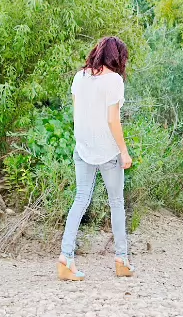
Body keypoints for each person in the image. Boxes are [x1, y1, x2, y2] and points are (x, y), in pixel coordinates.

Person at [57, 36, 134, 281]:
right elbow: (113, 120)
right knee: (116, 202)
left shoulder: (79, 77)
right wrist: (124, 151)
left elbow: (77, 112)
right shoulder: (114, 80)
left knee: (80, 199)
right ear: (118, 57)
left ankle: (66, 257)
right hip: (108, 150)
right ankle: (121, 260)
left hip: (83, 147)